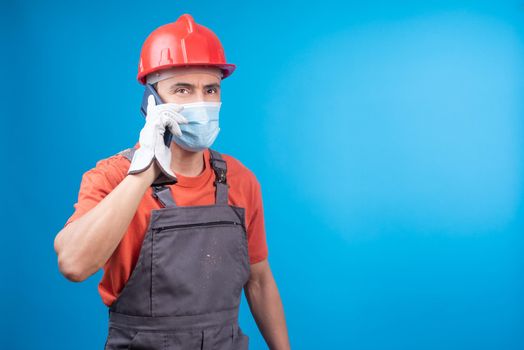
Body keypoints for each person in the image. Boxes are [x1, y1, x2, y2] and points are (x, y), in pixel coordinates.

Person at [53, 13, 291, 350]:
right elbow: (73, 265)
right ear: (151, 101)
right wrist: (144, 171)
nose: (201, 103)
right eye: (183, 89)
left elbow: (260, 281)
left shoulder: (240, 180)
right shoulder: (111, 177)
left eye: (211, 89)